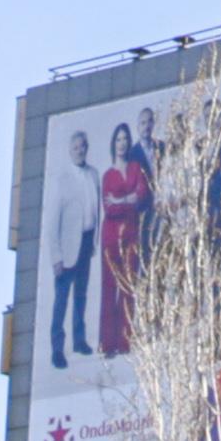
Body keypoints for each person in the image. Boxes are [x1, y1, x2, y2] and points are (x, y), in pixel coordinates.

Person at [96, 116, 157, 358]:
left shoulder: (135, 169)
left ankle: (125, 341)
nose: (122, 143)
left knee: (129, 286)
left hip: (131, 234)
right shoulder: (108, 175)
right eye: (118, 139)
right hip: (111, 237)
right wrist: (126, 200)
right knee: (109, 288)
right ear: (113, 143)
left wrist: (122, 200)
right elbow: (109, 208)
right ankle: (107, 343)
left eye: (125, 139)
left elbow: (141, 195)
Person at [42, 130, 99, 364]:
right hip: (67, 247)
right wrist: (55, 256)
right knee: (62, 298)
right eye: (76, 147)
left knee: (81, 294)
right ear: (69, 150)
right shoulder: (61, 179)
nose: (80, 150)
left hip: (86, 240)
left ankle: (79, 340)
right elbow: (51, 221)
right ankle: (57, 348)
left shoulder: (94, 174)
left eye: (83, 146)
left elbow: (97, 210)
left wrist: (94, 241)